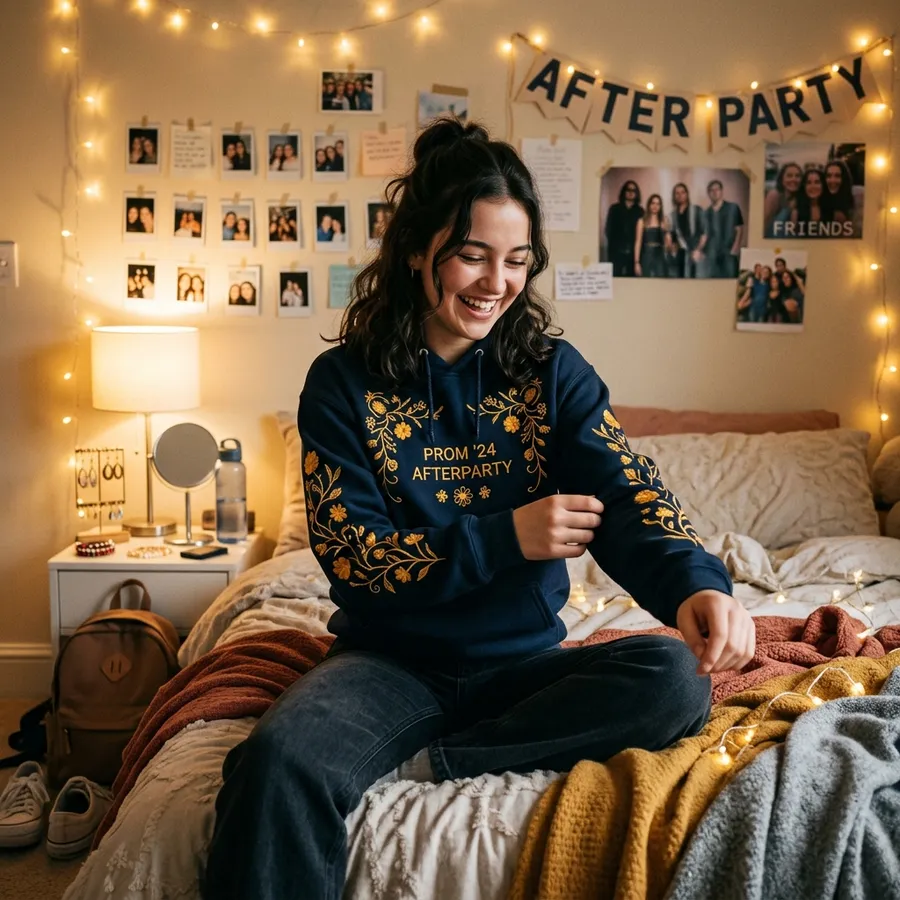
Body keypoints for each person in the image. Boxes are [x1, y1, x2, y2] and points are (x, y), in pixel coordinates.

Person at [203, 118, 754, 900]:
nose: (497, 282)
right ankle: (407, 742)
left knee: (673, 678)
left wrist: (700, 583)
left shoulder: (551, 373)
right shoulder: (342, 384)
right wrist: (507, 537)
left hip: (523, 669)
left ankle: (440, 760)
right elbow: (355, 558)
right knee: (276, 761)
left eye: (518, 261)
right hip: (387, 663)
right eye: (473, 254)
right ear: (417, 251)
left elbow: (629, 492)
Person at [703, 180, 743, 278]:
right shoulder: (706, 213)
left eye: (717, 189)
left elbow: (739, 228)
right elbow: (705, 234)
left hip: (729, 251)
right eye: (712, 190)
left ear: (721, 191)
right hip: (712, 255)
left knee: (732, 279)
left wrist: (736, 247)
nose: (715, 192)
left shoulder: (733, 208)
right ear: (709, 193)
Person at [604, 180, 643, 276]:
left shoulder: (640, 211)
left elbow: (641, 235)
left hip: (633, 253)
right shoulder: (614, 209)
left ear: (636, 193)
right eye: (628, 190)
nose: (630, 192)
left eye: (633, 190)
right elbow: (608, 230)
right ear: (624, 191)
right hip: (616, 251)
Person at [669, 183, 707, 278]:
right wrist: (673, 246)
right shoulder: (672, 215)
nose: (680, 195)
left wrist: (698, 250)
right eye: (677, 193)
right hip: (681, 256)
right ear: (674, 196)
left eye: (682, 192)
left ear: (687, 194)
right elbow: (674, 237)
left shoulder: (697, 210)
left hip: (696, 253)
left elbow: (704, 233)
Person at [633, 193, 670, 278]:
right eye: (653, 203)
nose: (655, 206)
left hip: (660, 256)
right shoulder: (641, 221)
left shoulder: (664, 220)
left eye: (658, 204)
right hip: (646, 255)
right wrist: (636, 263)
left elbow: (668, 246)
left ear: (660, 206)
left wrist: (666, 231)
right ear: (649, 205)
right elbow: (638, 242)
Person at [763, 162, 802, 237]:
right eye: (789, 176)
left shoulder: (800, 199)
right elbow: (764, 224)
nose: (794, 179)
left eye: (797, 176)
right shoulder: (774, 195)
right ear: (782, 179)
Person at [824, 159, 855, 230]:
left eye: (837, 176)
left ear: (844, 179)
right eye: (829, 176)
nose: (832, 180)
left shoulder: (855, 202)